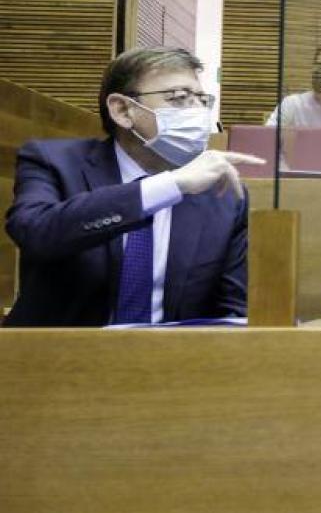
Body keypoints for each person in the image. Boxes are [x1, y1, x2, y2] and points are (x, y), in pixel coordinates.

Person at [4, 47, 264, 327]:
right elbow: (35, 232)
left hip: (171, 361)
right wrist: (168, 186)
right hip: (56, 360)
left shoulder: (223, 197)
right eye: (179, 99)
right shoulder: (53, 161)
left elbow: (232, 311)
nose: (197, 113)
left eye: (202, 100)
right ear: (123, 110)